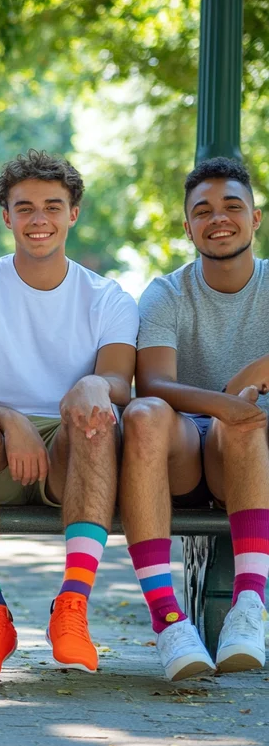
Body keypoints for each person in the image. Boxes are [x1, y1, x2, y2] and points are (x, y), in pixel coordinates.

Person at [0, 150, 138, 687]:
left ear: (74, 213)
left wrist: (94, 385)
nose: (38, 219)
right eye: (24, 208)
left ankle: (72, 607)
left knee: (96, 416)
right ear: (7, 217)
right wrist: (10, 419)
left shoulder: (108, 297)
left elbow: (117, 381)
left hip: (71, 448)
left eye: (53, 206)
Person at [120, 157, 268, 680]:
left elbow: (240, 414)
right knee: (143, 414)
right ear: (188, 228)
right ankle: (168, 621)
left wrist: (249, 385)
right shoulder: (166, 293)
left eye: (232, 206)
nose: (218, 218)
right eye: (202, 211)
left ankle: (249, 608)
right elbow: (154, 384)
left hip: (247, 458)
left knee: (245, 425)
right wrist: (227, 398)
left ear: (255, 219)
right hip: (181, 456)